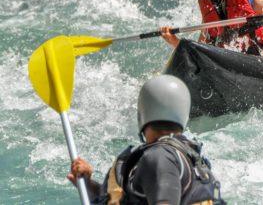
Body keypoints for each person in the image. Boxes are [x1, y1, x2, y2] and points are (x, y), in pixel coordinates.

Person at [67, 75, 225, 205]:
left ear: (142, 113)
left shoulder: (159, 157)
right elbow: (125, 199)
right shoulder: (182, 156)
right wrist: (86, 184)